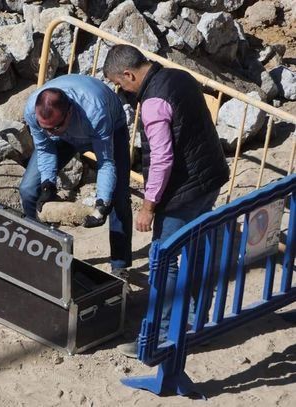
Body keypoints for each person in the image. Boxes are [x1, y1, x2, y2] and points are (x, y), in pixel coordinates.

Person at [103, 44, 229, 357]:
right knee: (197, 251)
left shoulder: (153, 102)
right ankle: (195, 322)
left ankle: (160, 336)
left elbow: (160, 158)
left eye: (121, 84)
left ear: (129, 74)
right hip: (210, 176)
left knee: (165, 260)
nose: (123, 91)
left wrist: (148, 207)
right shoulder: (179, 76)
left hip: (182, 192)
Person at [19, 74, 132, 275]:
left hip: (108, 128)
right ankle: (38, 250)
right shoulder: (33, 112)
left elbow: (106, 163)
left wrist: (102, 204)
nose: (50, 132)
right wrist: (48, 185)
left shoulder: (95, 111)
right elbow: (45, 148)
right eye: (46, 128)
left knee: (119, 196)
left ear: (69, 112)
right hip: (68, 134)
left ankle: (119, 266)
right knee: (29, 189)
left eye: (54, 128)